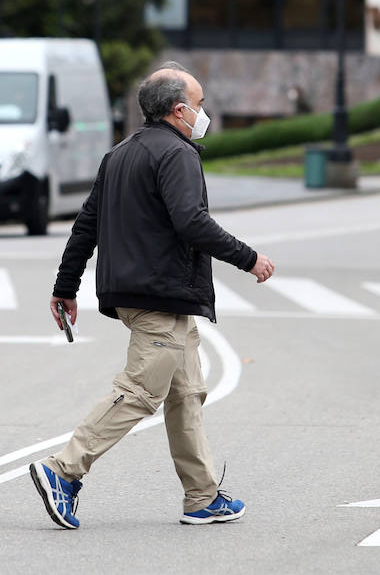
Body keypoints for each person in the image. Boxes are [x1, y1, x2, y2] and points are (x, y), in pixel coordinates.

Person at [29, 62, 275, 530]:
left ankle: (202, 497)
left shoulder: (120, 154)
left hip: (148, 293)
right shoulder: (177, 154)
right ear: (180, 110)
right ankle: (63, 470)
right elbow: (192, 222)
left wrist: (65, 287)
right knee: (140, 391)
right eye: (200, 105)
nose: (204, 113)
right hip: (160, 293)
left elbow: (86, 225)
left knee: (186, 393)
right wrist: (249, 258)